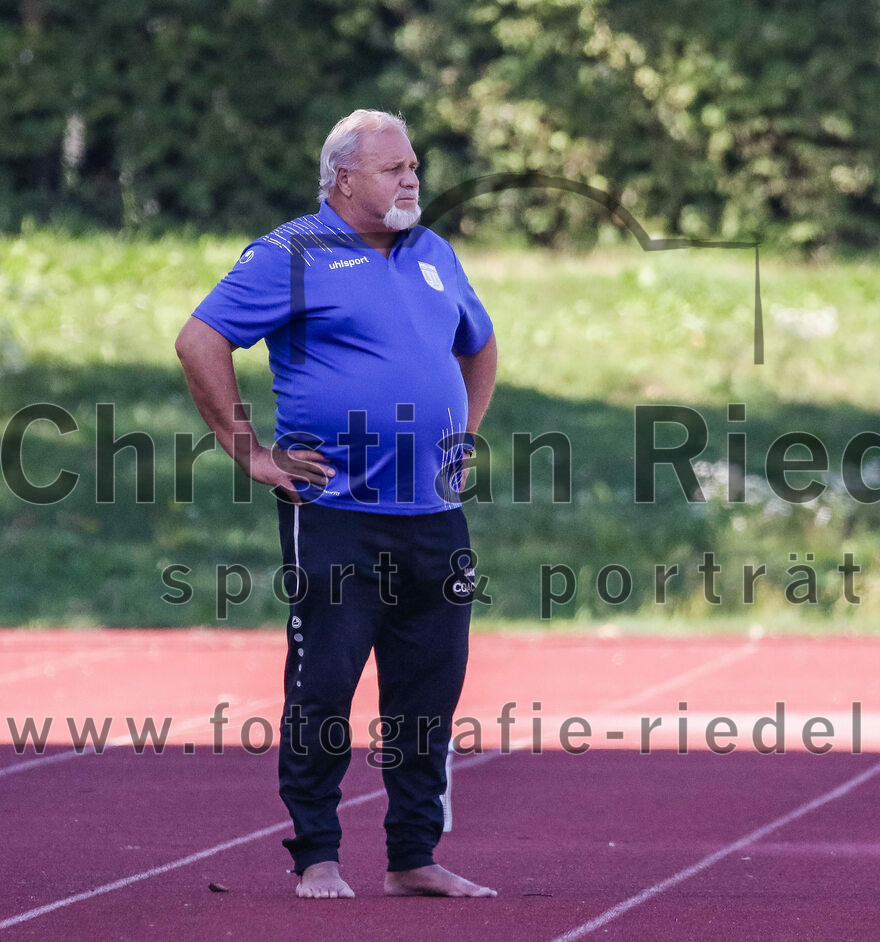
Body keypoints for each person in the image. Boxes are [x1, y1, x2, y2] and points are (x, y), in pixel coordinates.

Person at [175, 109, 498, 899]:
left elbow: (479, 343)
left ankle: (413, 857)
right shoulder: (292, 252)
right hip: (336, 511)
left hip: (433, 514)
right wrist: (250, 450)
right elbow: (200, 340)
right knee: (325, 684)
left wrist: (464, 432)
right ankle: (317, 853)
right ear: (343, 179)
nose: (412, 179)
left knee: (430, 690)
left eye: (414, 165)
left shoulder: (433, 252)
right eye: (393, 168)